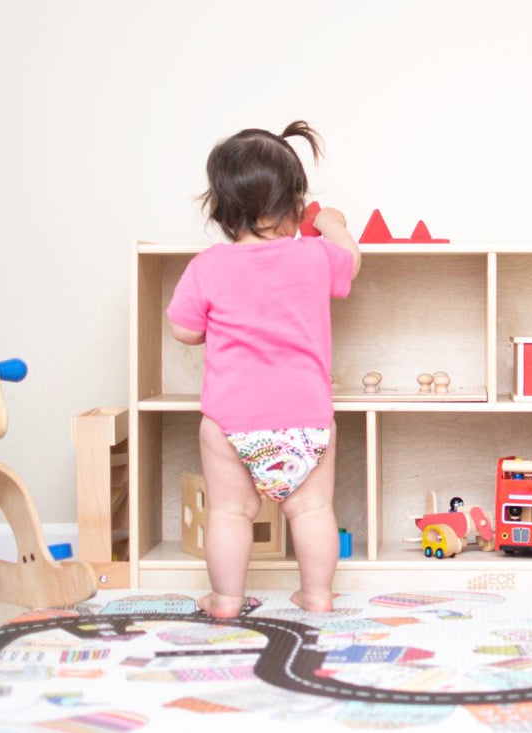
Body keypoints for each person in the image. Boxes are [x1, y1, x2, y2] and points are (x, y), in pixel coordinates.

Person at [166, 121, 361, 618]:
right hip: (307, 418)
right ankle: (317, 596)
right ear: (297, 205)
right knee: (312, 509)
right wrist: (334, 223)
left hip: (231, 421)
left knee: (231, 512)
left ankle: (227, 599)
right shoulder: (316, 255)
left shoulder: (208, 266)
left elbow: (184, 331)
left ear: (221, 209)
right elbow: (350, 263)